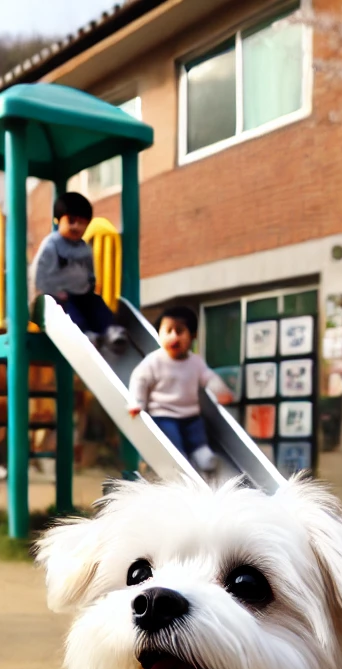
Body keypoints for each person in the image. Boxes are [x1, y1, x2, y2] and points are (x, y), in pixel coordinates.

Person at [127, 305, 235, 472]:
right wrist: (137, 403)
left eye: (179, 331)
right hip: (163, 414)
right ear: (159, 335)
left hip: (190, 415)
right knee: (172, 438)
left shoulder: (195, 362)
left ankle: (202, 454)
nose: (174, 337)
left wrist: (221, 392)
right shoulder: (154, 361)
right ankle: (180, 461)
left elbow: (209, 378)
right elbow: (139, 379)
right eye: (168, 331)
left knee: (197, 434)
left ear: (192, 336)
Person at [33, 191, 128, 348]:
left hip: (79, 292)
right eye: (71, 221)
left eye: (82, 223)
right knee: (70, 308)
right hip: (56, 296)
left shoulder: (84, 248)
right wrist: (53, 291)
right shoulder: (52, 245)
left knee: (96, 303)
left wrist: (91, 285)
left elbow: (89, 272)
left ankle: (109, 330)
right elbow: (39, 274)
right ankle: (83, 333)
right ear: (58, 220)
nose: (76, 226)